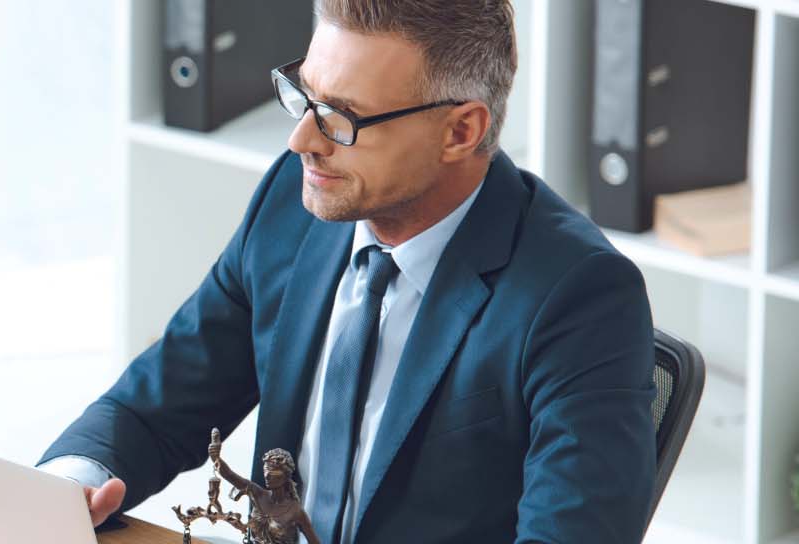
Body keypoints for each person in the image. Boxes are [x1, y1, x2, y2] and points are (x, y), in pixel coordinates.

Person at [39, 1, 656, 542]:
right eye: (304, 97)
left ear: (462, 130)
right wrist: (61, 492)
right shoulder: (294, 200)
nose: (302, 140)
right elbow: (160, 403)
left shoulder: (582, 297)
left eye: (343, 118)